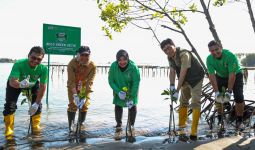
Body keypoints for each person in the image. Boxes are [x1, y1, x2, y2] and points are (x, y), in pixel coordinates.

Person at [160, 38, 205, 141]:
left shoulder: (184, 54)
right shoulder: (170, 57)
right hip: (185, 80)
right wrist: (172, 87)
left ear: (174, 45)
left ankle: (194, 131)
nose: (168, 51)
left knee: (195, 102)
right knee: (183, 102)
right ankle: (181, 127)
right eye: (165, 50)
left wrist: (177, 90)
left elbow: (183, 72)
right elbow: (172, 72)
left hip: (196, 78)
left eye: (169, 48)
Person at [3, 46, 48, 140]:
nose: (35, 61)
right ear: (28, 56)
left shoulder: (43, 69)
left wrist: (36, 103)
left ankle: (35, 129)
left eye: (39, 59)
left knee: (37, 106)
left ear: (42, 59)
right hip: (16, 84)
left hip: (32, 84)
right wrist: (21, 85)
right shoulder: (19, 63)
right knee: (10, 106)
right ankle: (9, 132)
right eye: (33, 57)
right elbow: (12, 82)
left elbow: (43, 86)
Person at [206, 40, 245, 130]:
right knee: (218, 98)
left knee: (239, 97)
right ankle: (220, 119)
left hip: (236, 75)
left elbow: (232, 75)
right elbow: (212, 76)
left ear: (221, 48)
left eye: (217, 49)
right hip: (221, 76)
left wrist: (229, 91)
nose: (215, 52)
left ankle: (239, 120)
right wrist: (216, 92)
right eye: (212, 51)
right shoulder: (209, 59)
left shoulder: (230, 56)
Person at [108, 49, 140, 135]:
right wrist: (118, 92)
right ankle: (119, 125)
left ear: (128, 59)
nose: (122, 62)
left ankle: (131, 125)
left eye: (124, 60)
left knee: (132, 106)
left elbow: (136, 83)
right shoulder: (113, 66)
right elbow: (111, 81)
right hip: (118, 89)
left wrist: (131, 96)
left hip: (131, 90)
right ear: (117, 60)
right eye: (119, 60)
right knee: (118, 105)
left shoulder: (134, 68)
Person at [67, 46, 96, 132]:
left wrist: (84, 97)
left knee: (84, 105)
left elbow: (89, 83)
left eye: (86, 55)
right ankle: (71, 127)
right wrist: (75, 95)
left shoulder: (93, 66)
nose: (84, 58)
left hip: (84, 87)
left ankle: (81, 125)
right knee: (73, 105)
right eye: (82, 55)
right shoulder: (71, 63)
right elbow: (71, 81)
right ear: (78, 55)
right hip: (73, 86)